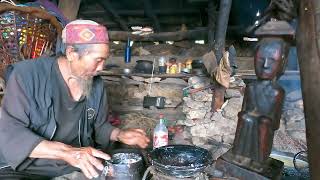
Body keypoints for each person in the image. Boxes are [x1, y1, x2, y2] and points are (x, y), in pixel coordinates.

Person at [0, 20, 150, 179]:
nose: (101, 68)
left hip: (73, 165)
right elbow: (10, 132)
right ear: (71, 53)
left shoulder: (96, 85)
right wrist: (68, 152)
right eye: (98, 60)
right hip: (24, 167)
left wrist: (119, 134)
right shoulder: (27, 75)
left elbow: (99, 127)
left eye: (104, 60)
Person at [232, 37, 288, 163]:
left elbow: (275, 123)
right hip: (249, 121)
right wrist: (245, 115)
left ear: (281, 63)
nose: (265, 65)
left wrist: (267, 121)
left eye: (272, 61)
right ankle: (239, 154)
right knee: (244, 117)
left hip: (265, 124)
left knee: (262, 123)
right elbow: (243, 110)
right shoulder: (250, 87)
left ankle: (259, 159)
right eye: (261, 60)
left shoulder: (278, 92)